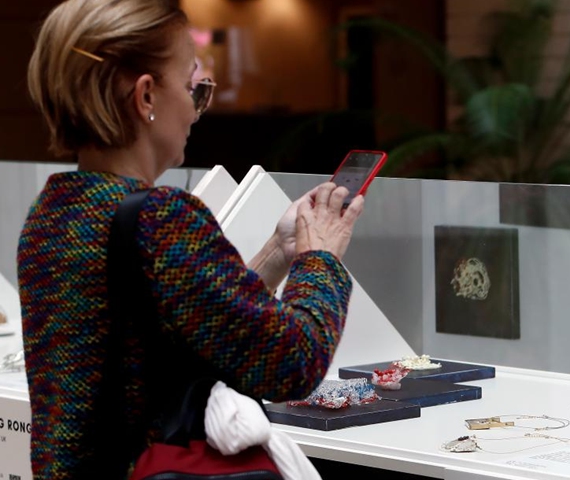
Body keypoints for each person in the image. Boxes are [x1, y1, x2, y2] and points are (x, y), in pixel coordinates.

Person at [18, 0, 365, 478]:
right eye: (191, 88)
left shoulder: (52, 214)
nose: (197, 110)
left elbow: (178, 325)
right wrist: (319, 255)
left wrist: (276, 255)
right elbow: (292, 362)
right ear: (145, 98)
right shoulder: (162, 219)